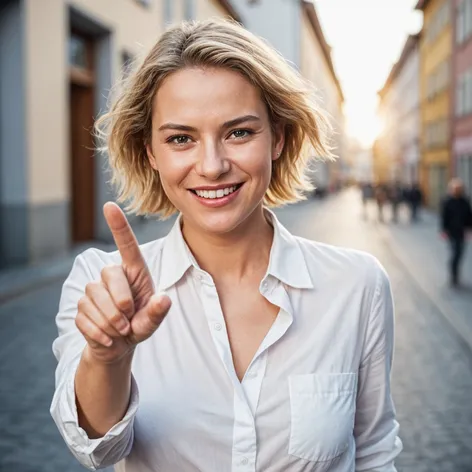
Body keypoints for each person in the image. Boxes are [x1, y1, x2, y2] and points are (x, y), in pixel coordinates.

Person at [50, 18, 402, 471]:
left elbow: (373, 452)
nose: (212, 166)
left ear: (277, 137)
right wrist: (107, 357)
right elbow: (94, 448)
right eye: (181, 138)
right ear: (151, 152)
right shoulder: (103, 285)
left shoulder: (357, 285)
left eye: (239, 132)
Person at [441, 178, 472, 287]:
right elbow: (444, 217)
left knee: (459, 253)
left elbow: (469, 216)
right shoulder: (448, 202)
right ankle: (453, 274)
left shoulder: (465, 201)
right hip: (451, 232)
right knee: (455, 252)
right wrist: (444, 230)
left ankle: (455, 273)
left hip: (462, 232)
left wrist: (469, 229)